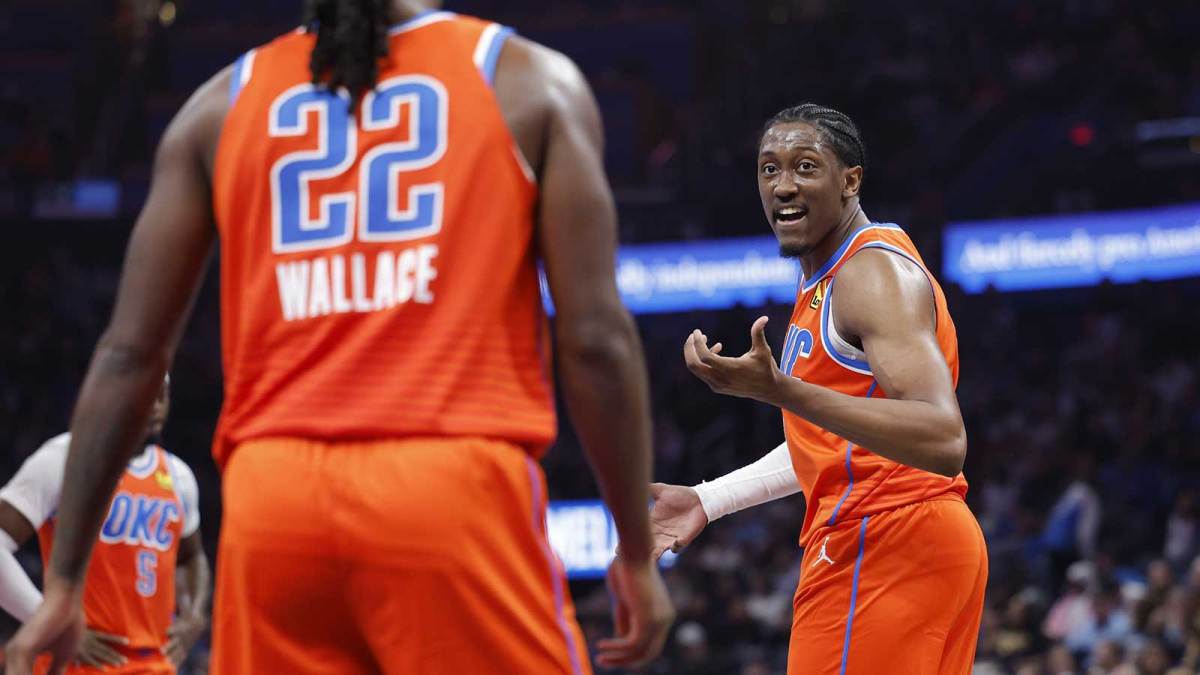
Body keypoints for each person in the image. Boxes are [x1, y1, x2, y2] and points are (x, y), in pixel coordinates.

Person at [4, 1, 673, 673]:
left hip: (272, 498)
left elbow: (130, 355)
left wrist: (63, 583)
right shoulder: (526, 77)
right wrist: (638, 552)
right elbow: (595, 341)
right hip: (448, 481)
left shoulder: (218, 103)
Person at [648, 104, 987, 674]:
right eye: (768, 169)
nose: (783, 186)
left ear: (850, 180)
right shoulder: (828, 278)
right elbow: (833, 440)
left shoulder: (869, 275)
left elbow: (942, 433)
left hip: (882, 540)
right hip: (916, 539)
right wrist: (712, 498)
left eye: (806, 167)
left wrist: (782, 391)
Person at [0, 376, 208, 674]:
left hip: (157, 663)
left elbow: (192, 556)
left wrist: (195, 615)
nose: (155, 407)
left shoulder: (179, 476)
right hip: (80, 662)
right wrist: (46, 621)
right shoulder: (65, 458)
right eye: (145, 392)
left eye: (162, 395)